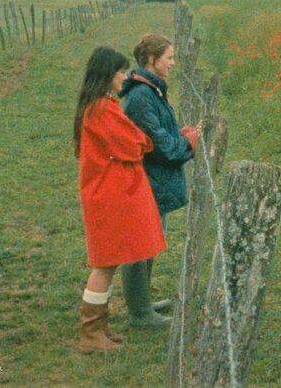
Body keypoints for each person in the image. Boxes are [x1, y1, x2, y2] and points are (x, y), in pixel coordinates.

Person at [74, 46, 166, 352]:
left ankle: (99, 328)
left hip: (104, 192)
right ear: (107, 74)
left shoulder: (96, 106)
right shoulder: (102, 109)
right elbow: (133, 144)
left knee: (109, 262)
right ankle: (90, 334)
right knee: (104, 265)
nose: (125, 77)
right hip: (108, 195)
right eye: (121, 72)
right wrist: (141, 141)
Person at [118, 33, 200, 328]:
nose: (173, 63)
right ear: (151, 60)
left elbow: (163, 135)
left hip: (153, 181)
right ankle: (139, 313)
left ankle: (143, 304)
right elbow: (163, 147)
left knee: (149, 242)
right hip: (144, 182)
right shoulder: (142, 97)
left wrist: (181, 136)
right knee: (139, 246)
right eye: (169, 58)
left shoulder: (152, 90)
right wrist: (189, 143)